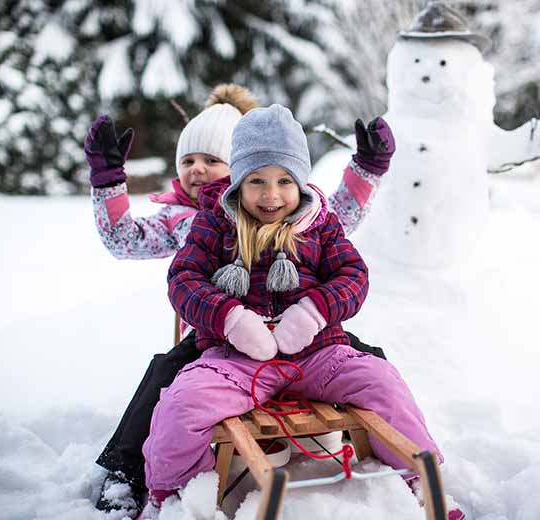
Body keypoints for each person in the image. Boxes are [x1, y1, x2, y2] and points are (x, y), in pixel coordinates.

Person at [139, 104, 462, 519]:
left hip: (316, 355)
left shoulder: (320, 225)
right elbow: (183, 280)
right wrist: (231, 319)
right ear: (238, 182)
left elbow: (353, 275)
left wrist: (313, 312)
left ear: (301, 182)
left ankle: (419, 480)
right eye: (256, 181)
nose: (270, 195)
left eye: (284, 181)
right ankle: (176, 499)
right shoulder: (215, 224)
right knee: (182, 403)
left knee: (382, 381)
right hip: (235, 360)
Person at [84, 85, 394, 515]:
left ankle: (364, 437)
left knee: (371, 359)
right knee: (164, 376)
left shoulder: (290, 205)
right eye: (188, 161)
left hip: (299, 331)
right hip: (219, 333)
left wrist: (367, 168)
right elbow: (125, 240)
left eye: (212, 160)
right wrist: (108, 181)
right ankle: (127, 471)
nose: (197, 170)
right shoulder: (183, 219)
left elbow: (338, 218)